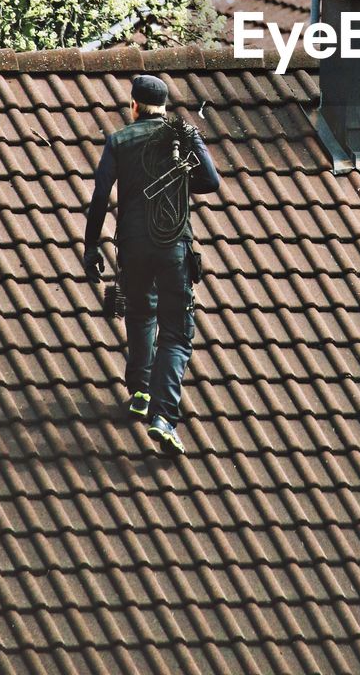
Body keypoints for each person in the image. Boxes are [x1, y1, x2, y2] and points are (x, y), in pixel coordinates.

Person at [83, 74, 220, 455]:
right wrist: (177, 178)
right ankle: (163, 416)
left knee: (141, 313)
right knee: (176, 331)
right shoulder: (183, 135)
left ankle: (140, 391)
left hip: (132, 248)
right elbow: (211, 182)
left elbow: (98, 197)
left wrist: (91, 247)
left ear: (134, 106)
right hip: (173, 246)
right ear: (164, 107)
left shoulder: (120, 140)